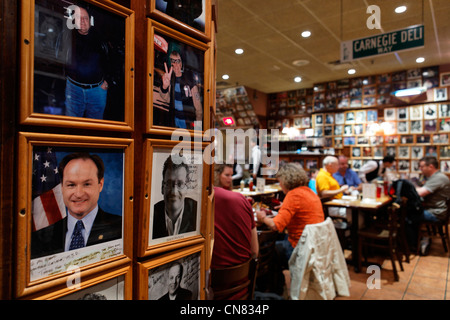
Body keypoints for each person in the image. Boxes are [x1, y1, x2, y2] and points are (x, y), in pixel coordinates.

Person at [31, 153, 122, 258]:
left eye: (87, 184)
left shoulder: (121, 229)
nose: (78, 194)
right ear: (62, 187)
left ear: (100, 184)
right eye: (71, 185)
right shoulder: (42, 236)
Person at [256, 163, 324, 269]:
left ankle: (276, 284)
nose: (280, 185)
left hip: (300, 248)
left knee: (265, 248)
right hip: (314, 246)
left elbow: (275, 225)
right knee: (280, 238)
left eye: (280, 182)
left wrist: (262, 217)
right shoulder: (309, 192)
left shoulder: (293, 195)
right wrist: (285, 206)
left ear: (286, 181)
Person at [212, 165, 259, 299]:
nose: (230, 178)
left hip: (211, 292)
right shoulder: (241, 200)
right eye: (226, 175)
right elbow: (255, 251)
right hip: (243, 291)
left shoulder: (198, 201)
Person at [56, 4, 111, 119]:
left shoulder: (100, 38)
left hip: (97, 90)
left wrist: (107, 81)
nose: (82, 21)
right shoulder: (67, 36)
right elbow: (58, 58)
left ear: (90, 21)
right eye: (78, 18)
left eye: (85, 18)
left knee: (95, 127)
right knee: (72, 126)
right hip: (73, 89)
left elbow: (111, 60)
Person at [153, 49, 202, 129]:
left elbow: (198, 107)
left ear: (181, 63)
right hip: (173, 126)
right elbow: (166, 99)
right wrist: (165, 87)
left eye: (178, 61)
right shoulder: (169, 79)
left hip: (188, 125)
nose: (175, 64)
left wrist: (198, 130)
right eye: (173, 61)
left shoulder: (189, 79)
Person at [152, 155, 197, 239]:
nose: (174, 191)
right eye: (169, 184)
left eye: (180, 184)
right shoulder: (151, 215)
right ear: (162, 187)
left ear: (187, 187)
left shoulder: (197, 211)